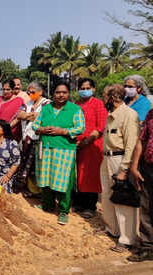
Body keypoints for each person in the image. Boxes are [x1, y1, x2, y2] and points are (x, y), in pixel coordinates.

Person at [32, 81, 85, 225]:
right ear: (53, 94)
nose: (61, 95)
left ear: (68, 94)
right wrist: (42, 129)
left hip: (65, 150)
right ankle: (47, 205)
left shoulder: (75, 109)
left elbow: (80, 128)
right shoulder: (46, 108)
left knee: (63, 181)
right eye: (57, 92)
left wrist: (64, 131)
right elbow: (35, 125)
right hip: (46, 148)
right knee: (46, 177)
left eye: (64, 92)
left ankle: (63, 211)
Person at [100, 84, 139, 252]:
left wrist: (124, 169)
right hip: (107, 158)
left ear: (112, 97)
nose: (103, 99)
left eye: (104, 95)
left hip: (120, 159)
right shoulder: (112, 115)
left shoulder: (129, 115)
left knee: (123, 199)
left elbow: (131, 143)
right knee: (108, 195)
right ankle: (112, 229)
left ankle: (126, 239)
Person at [73, 78, 108, 218]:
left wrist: (86, 141)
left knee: (90, 175)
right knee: (77, 175)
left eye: (87, 87)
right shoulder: (75, 105)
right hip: (75, 145)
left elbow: (101, 127)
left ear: (93, 89)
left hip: (92, 145)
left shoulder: (98, 104)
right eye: (81, 87)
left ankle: (90, 206)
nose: (84, 90)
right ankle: (78, 202)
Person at [13, 81, 51, 195]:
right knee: (25, 163)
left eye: (33, 92)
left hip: (40, 139)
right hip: (27, 138)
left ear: (40, 92)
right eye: (29, 92)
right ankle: (28, 189)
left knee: (37, 165)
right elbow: (19, 115)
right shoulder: (28, 103)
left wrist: (27, 116)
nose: (30, 94)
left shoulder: (47, 103)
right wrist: (31, 116)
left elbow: (44, 117)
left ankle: (39, 191)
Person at [128, 109, 153, 261]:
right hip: (149, 167)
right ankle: (148, 247)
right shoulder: (151, 114)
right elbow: (141, 141)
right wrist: (135, 165)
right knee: (146, 206)